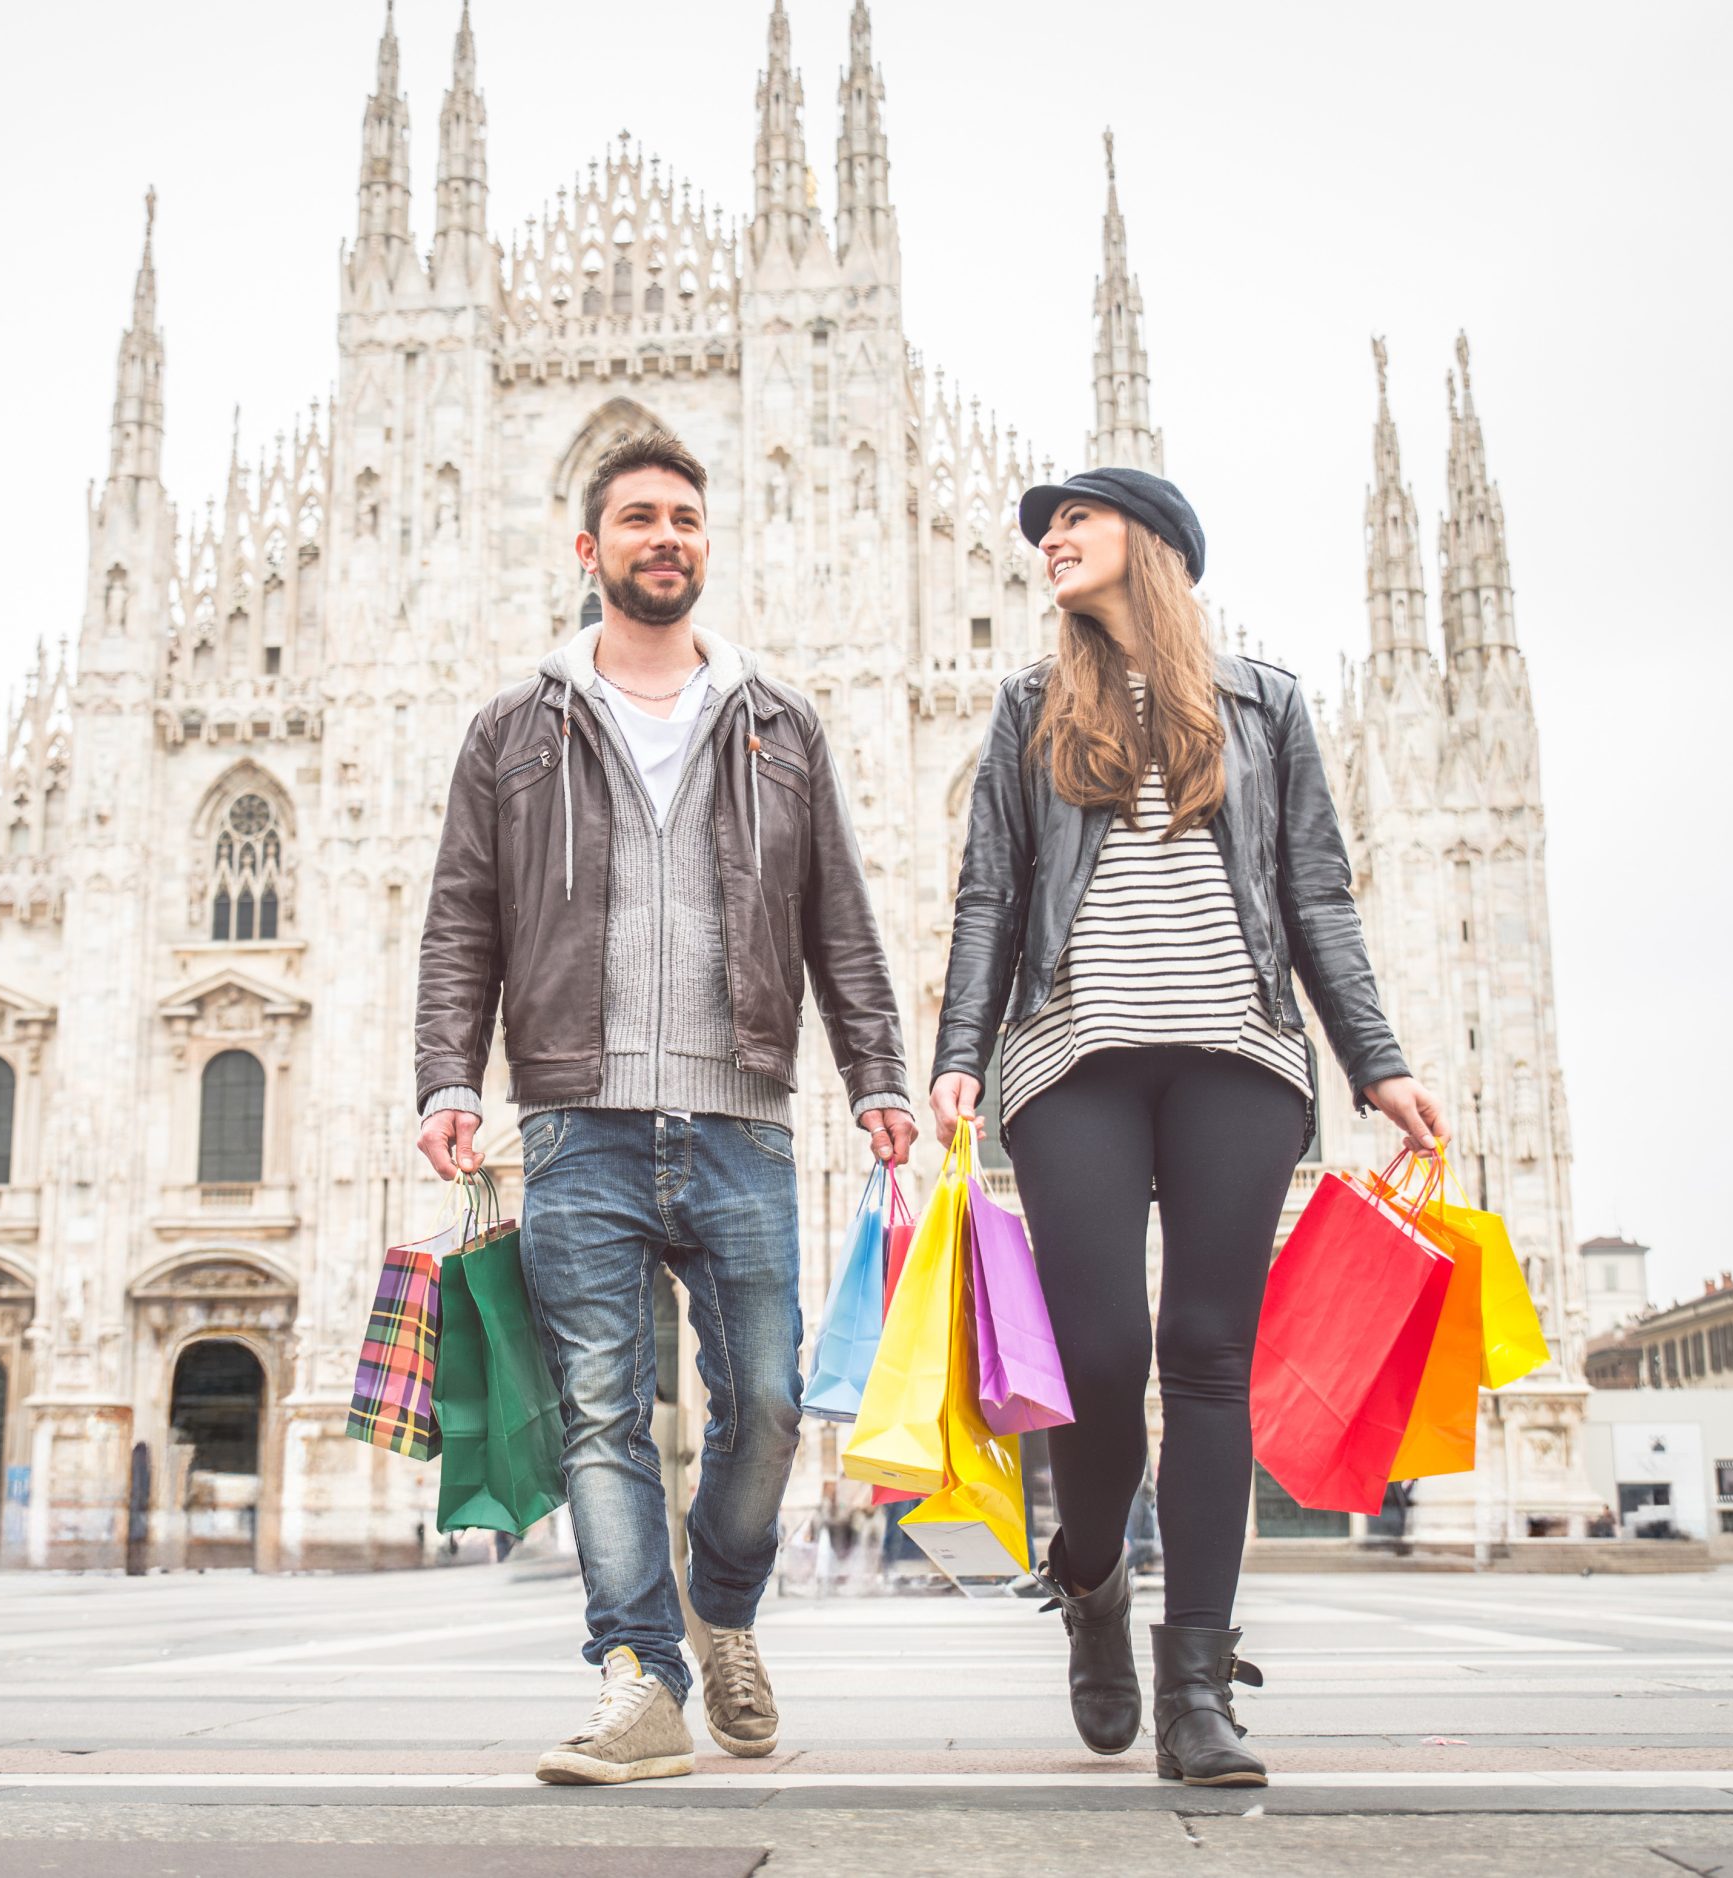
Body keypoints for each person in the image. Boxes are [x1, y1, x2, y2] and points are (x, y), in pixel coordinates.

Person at [415, 430, 918, 1786]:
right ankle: (637, 1674)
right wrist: (448, 1074)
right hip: (577, 1118)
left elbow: (842, 921)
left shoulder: (776, 720)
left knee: (765, 1396)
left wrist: (878, 1070)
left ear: (707, 543)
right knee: (599, 1410)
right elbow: (462, 916)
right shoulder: (513, 729)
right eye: (637, 517)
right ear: (590, 550)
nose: (664, 537)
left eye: (685, 518)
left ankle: (727, 1606)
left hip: (743, 1114)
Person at [931, 467, 1445, 1789]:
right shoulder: (1029, 706)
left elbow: (1316, 893)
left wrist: (1376, 1062)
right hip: (1072, 1058)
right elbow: (992, 893)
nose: (1051, 536)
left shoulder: (1265, 701)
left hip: (1242, 1055)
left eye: (1077, 519)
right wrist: (953, 1062)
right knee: (1097, 1352)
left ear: (1153, 546)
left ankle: (1201, 1684)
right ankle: (1091, 1577)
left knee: (1209, 1352)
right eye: (1046, 524)